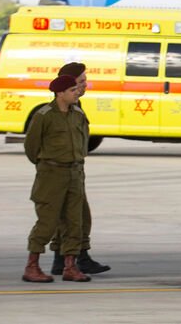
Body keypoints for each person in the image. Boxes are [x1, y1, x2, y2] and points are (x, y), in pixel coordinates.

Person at [22, 75, 91, 283]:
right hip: (51, 174)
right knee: (47, 222)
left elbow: (84, 140)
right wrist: (47, 165)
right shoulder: (44, 115)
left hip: (74, 173)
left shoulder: (78, 114)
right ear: (59, 93)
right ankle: (32, 266)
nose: (77, 92)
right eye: (72, 90)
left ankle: (70, 266)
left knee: (74, 222)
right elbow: (31, 147)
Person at [48, 62, 111, 276]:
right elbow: (34, 146)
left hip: (74, 169)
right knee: (76, 217)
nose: (86, 85)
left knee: (72, 216)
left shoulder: (75, 107)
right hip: (60, 172)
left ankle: (63, 259)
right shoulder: (56, 111)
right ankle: (77, 259)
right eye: (81, 82)